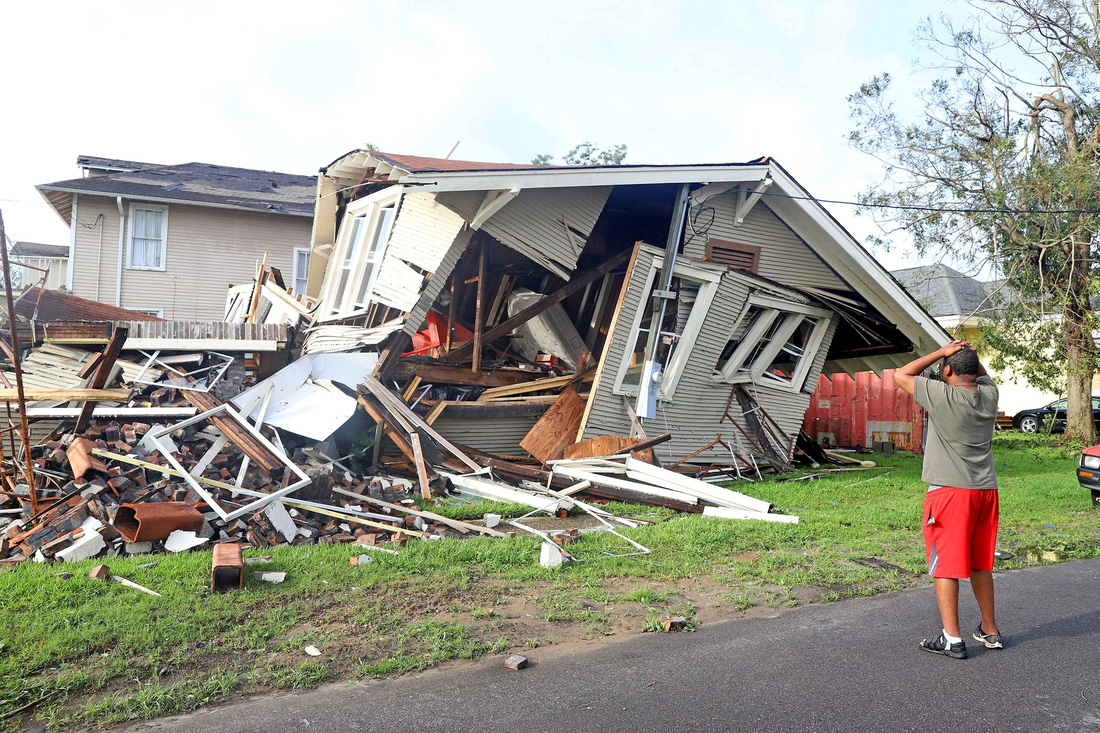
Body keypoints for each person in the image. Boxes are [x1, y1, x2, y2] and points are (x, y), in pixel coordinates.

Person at [893, 340, 1003, 659]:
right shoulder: (989, 394)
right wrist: (964, 358)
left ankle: (952, 639)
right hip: (986, 491)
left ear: (947, 370)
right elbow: (979, 373)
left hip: (950, 493)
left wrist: (944, 352)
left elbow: (902, 374)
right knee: (980, 562)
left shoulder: (942, 394)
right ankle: (990, 630)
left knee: (946, 566)